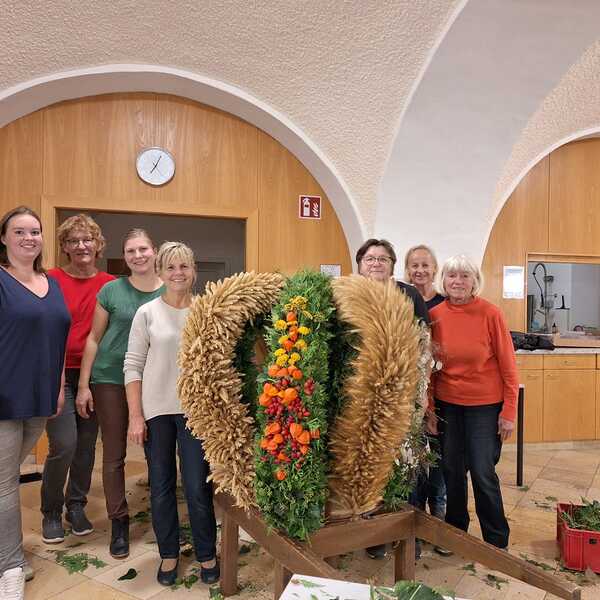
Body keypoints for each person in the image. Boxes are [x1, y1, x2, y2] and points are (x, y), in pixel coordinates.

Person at [124, 242, 219, 585]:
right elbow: (132, 365)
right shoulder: (147, 313)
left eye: (184, 266)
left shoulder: (206, 311)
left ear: (194, 271)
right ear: (160, 272)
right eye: (171, 267)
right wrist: (136, 416)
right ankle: (168, 553)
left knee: (196, 485)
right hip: (157, 412)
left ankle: (207, 552)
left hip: (195, 413)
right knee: (161, 485)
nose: (178, 273)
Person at [76, 228, 163, 559]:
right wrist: (83, 385)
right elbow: (94, 338)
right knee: (113, 456)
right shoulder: (111, 290)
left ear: (154, 251)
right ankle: (119, 522)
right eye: (130, 251)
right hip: (110, 379)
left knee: (157, 453)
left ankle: (162, 518)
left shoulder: (170, 290)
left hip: (152, 382)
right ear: (124, 256)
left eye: (143, 249)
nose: (137, 256)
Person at [0, 206, 70, 600]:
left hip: (40, 396)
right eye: (19, 231)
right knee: (4, 483)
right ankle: (10, 566)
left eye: (35, 231)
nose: (29, 238)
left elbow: (58, 341)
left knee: (5, 476)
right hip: (4, 395)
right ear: (4, 238)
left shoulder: (51, 283)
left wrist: (58, 387)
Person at [427, 255, 517, 549]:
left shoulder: (491, 314)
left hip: (485, 407)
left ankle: (496, 540)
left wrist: (509, 411)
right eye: (452, 275)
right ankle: (455, 533)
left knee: (482, 471)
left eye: (465, 276)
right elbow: (430, 369)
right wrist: (430, 410)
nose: (458, 281)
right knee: (452, 471)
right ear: (444, 280)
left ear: (475, 281)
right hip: (447, 405)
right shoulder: (435, 315)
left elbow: (509, 366)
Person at [41, 215, 115, 544]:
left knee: (86, 445)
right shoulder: (50, 280)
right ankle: (50, 511)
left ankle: (76, 506)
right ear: (65, 247)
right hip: (56, 373)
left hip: (94, 375)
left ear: (98, 245)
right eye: (73, 241)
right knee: (64, 443)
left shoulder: (110, 285)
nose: (81, 245)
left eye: (87, 239)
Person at [355, 238, 429, 560]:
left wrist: (421, 393)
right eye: (370, 258)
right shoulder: (349, 293)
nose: (376, 263)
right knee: (369, 463)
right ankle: (374, 535)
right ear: (360, 265)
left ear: (392, 265)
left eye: (383, 258)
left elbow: (425, 345)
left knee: (405, 464)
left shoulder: (409, 295)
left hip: (403, 393)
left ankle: (407, 535)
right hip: (362, 395)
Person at [404, 245, 451, 557]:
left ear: (434, 269)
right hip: (411, 398)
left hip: (440, 396)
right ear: (407, 270)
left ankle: (440, 526)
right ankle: (414, 530)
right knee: (413, 465)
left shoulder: (445, 305)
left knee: (439, 465)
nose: (419, 270)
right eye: (414, 265)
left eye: (425, 265)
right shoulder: (403, 300)